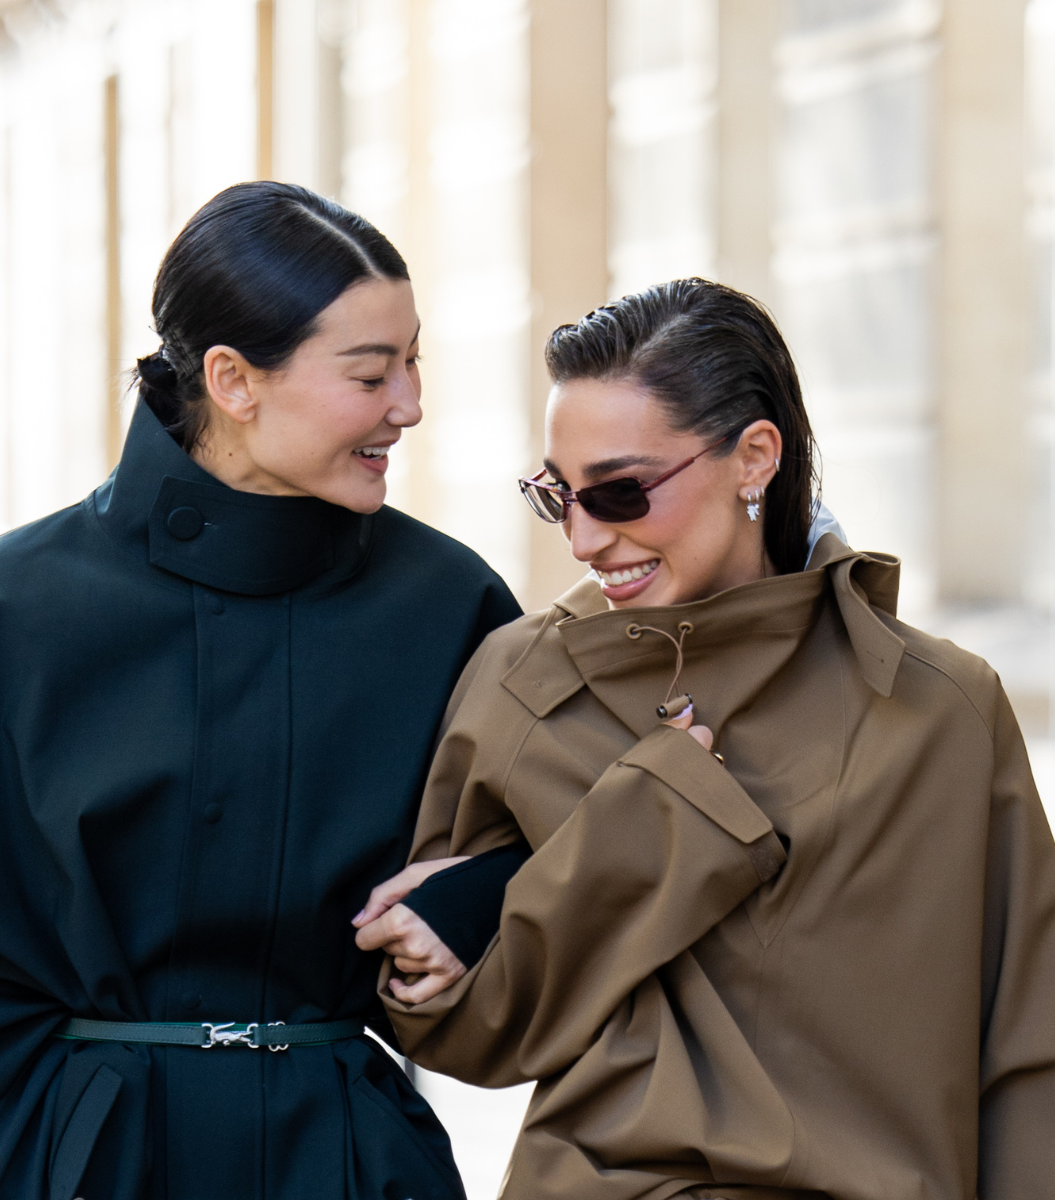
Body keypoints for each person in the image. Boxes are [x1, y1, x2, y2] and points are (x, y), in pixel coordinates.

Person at [0, 182, 521, 1200]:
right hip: (88, 1162)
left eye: (414, 362)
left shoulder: (449, 602)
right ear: (234, 379)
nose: (410, 405)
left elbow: (565, 841)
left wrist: (476, 898)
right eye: (371, 373)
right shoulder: (21, 600)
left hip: (347, 1160)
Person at [355, 279, 1055, 1199]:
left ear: (753, 457)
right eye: (556, 496)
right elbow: (464, 1032)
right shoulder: (525, 688)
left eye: (619, 492)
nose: (582, 537)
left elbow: (1026, 1054)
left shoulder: (940, 711)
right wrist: (637, 832)